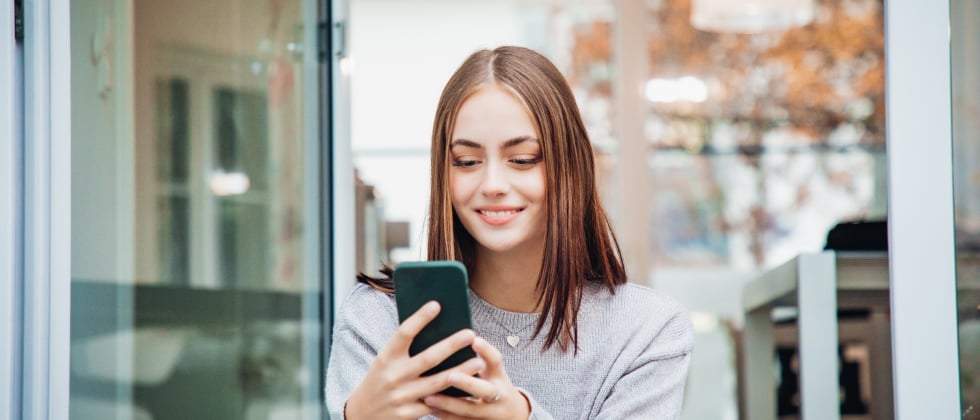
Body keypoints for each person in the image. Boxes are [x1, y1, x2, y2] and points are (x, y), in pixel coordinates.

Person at [326, 45, 693, 419]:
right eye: (467, 162)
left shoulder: (647, 330)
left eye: (522, 160)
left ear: (571, 166)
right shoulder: (379, 319)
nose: (493, 184)